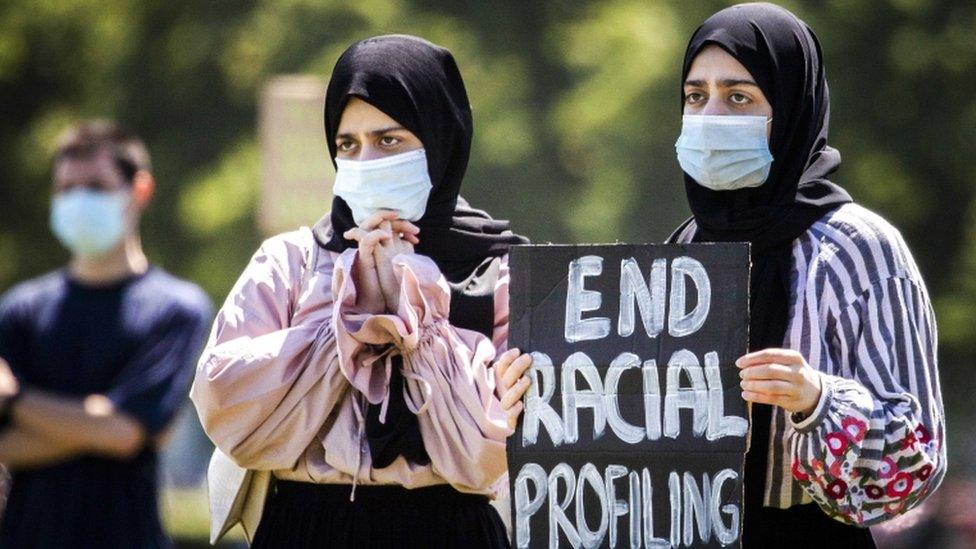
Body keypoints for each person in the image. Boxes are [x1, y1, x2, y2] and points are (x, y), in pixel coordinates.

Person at [191, 34, 533, 548]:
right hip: (307, 527)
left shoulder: (499, 273)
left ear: (439, 140)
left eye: (389, 141)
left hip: (451, 531)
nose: (366, 161)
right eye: (348, 145)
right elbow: (227, 408)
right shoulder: (291, 261)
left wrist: (413, 304)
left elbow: (487, 454)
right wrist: (353, 315)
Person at [668, 3, 945, 546]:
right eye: (695, 97)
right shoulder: (686, 247)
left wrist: (817, 400)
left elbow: (917, 460)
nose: (710, 117)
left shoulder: (858, 250)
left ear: (792, 108)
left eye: (739, 97)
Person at [0, 120, 213, 548]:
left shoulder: (177, 309)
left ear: (140, 190)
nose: (78, 200)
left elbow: (125, 433)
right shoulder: (19, 309)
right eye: (66, 189)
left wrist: (16, 399)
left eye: (96, 186)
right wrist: (98, 423)